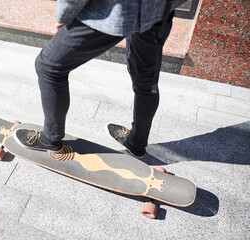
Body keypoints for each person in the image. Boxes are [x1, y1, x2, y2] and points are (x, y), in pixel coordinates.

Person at [13, 0, 186, 159]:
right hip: (157, 11)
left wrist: (65, 14)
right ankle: (136, 143)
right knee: (146, 82)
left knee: (48, 66)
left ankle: (49, 139)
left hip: (112, 11)